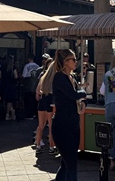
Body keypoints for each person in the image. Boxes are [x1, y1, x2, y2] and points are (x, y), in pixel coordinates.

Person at [51, 49, 87, 181]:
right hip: (62, 125)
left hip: (73, 124)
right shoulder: (59, 77)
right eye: (73, 59)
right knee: (71, 163)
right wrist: (83, 93)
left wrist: (84, 102)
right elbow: (73, 95)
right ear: (66, 62)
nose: (76, 62)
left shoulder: (72, 78)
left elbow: (79, 97)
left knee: (67, 163)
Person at [34, 58, 56, 153]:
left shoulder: (43, 76)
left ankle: (38, 145)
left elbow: (38, 90)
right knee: (51, 125)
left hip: (42, 99)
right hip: (50, 99)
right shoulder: (55, 77)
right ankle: (51, 147)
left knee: (40, 125)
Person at [0, 55, 19, 121]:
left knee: (6, 100)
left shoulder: (2, 67)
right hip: (11, 85)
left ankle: (11, 111)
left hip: (4, 85)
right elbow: (16, 77)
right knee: (10, 100)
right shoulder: (13, 68)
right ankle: (8, 113)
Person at [22, 54, 40, 120]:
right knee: (35, 100)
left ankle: (29, 115)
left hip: (29, 85)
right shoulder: (37, 66)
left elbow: (24, 76)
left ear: (28, 59)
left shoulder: (27, 66)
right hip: (36, 85)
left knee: (29, 101)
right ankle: (35, 114)